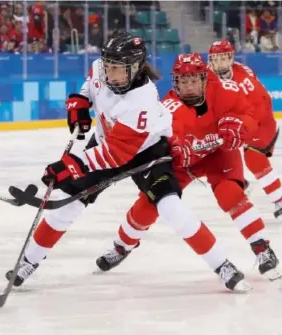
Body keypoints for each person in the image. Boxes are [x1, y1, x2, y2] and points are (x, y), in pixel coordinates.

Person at [6, 33, 251, 292]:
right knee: (68, 205)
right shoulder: (102, 67)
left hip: (147, 152)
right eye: (108, 66)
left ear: (134, 68)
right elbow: (90, 84)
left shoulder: (142, 99)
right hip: (106, 142)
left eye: (117, 69)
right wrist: (80, 101)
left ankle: (222, 264)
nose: (110, 74)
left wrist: (71, 164)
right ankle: (29, 261)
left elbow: (117, 155)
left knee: (170, 206)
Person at [104, 52, 280, 281]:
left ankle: (262, 248)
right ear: (175, 82)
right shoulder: (168, 106)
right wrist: (177, 146)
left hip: (220, 153)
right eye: (182, 81)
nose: (188, 87)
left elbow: (249, 114)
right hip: (186, 162)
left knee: (230, 195)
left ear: (204, 78)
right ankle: (121, 246)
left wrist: (240, 127)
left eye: (193, 80)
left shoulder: (226, 90)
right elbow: (167, 136)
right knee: (149, 203)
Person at [208, 40, 282, 218]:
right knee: (213, 157)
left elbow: (261, 107)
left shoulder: (244, 80)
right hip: (233, 118)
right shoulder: (207, 75)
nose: (219, 64)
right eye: (215, 59)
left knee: (254, 159)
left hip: (258, 122)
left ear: (231, 58)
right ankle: (239, 182)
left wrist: (242, 127)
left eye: (224, 59)